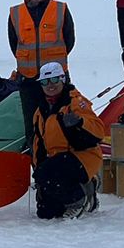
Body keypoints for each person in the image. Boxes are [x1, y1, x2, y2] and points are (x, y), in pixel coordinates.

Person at [27, 61, 108, 219]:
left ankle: (80, 198)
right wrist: (38, 168)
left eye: (55, 80)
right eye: (45, 81)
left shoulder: (76, 102)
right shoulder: (40, 111)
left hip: (83, 156)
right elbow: (39, 143)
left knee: (51, 169)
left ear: (63, 80)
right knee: (46, 211)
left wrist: (79, 123)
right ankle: (83, 192)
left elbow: (99, 132)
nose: (50, 85)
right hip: (57, 161)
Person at [6, 0, 75, 114]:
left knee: (60, 123)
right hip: (28, 80)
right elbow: (14, 44)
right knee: (32, 126)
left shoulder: (60, 9)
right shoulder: (15, 13)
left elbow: (70, 40)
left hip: (56, 80)